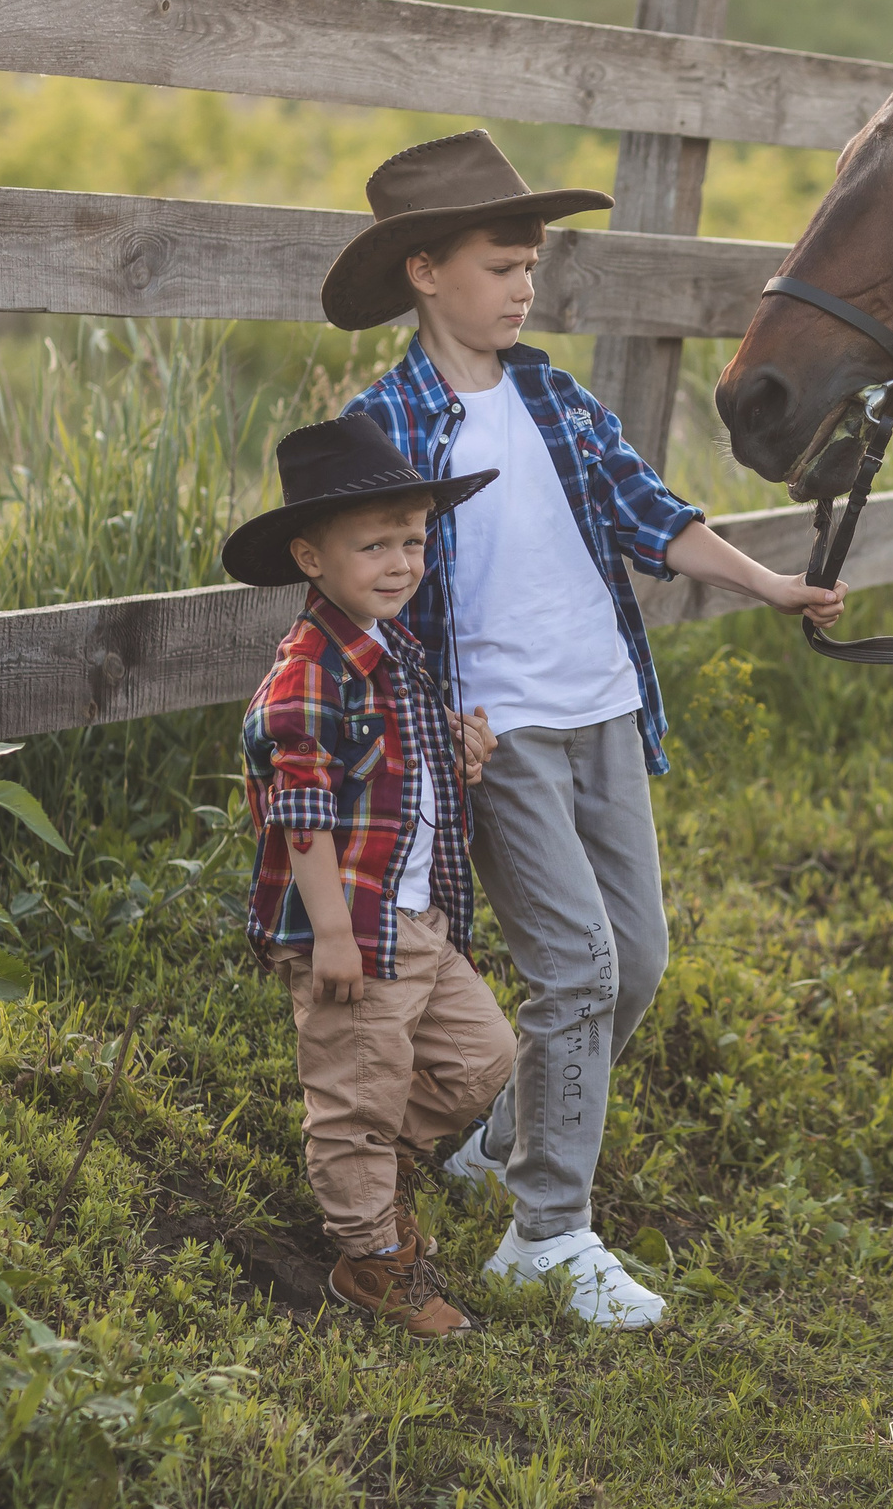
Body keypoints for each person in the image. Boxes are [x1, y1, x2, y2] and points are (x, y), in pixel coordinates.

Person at [323, 130, 846, 1330]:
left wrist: (768, 583)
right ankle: (547, 1229)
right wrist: (425, 723)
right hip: (498, 735)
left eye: (531, 267)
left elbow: (651, 513)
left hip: (603, 706)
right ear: (423, 272)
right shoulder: (387, 426)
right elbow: (363, 603)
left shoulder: (553, 395)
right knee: (576, 967)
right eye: (501, 267)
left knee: (638, 960)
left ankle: (498, 1141)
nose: (524, 288)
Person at [225, 414, 517, 1339]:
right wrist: (333, 935)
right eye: (374, 545)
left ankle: (366, 1176)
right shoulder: (310, 670)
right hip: (352, 925)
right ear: (311, 558)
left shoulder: (392, 648)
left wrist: (458, 748)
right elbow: (302, 811)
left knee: (486, 1062)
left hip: (416, 919)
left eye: (414, 541)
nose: (401, 563)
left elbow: (397, 772)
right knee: (357, 1094)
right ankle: (369, 1258)